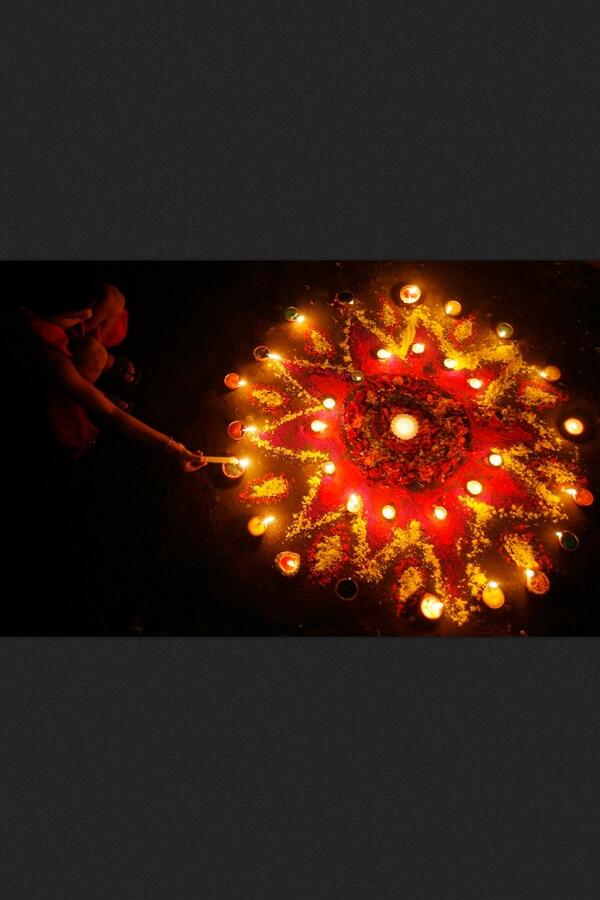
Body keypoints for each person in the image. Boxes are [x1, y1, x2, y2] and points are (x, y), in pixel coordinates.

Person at [3, 263, 206, 471]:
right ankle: (94, 390)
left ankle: (101, 357)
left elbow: (96, 301)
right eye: (75, 315)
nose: (88, 315)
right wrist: (174, 448)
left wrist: (79, 315)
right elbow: (111, 413)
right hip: (48, 379)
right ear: (40, 310)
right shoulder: (44, 355)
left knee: (113, 298)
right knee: (92, 356)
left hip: (60, 329)